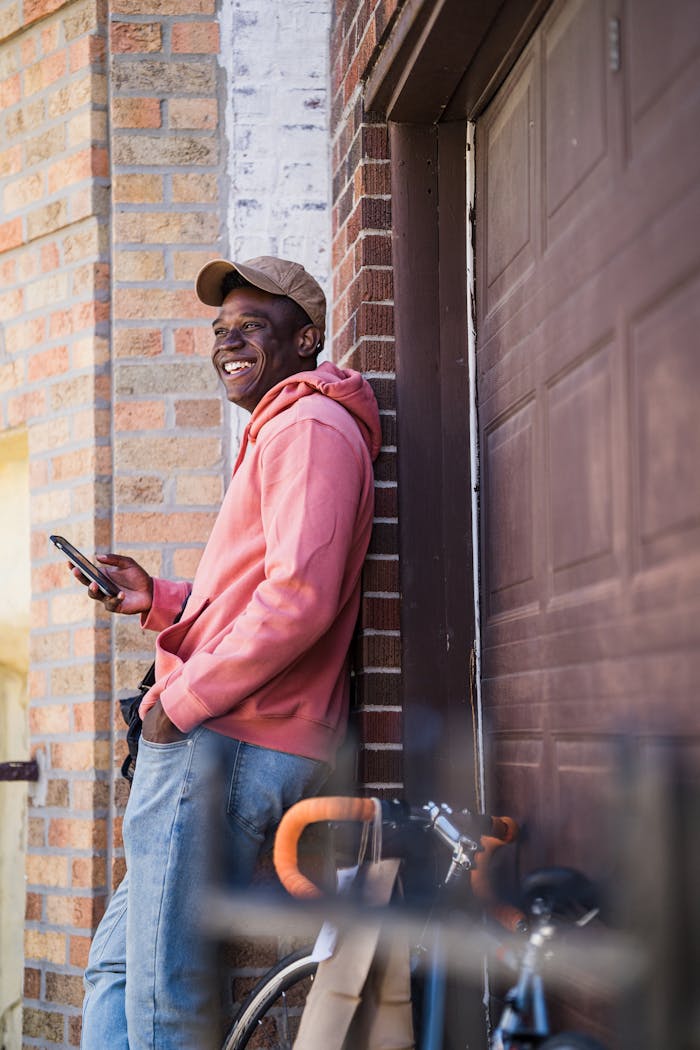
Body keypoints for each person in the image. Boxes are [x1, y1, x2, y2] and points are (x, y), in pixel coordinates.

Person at [76, 256, 381, 1049]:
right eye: (220, 330)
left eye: (252, 326)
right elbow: (263, 591)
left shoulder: (309, 427)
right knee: (118, 970)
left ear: (305, 336)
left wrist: (177, 705)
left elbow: (299, 601)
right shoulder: (282, 427)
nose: (229, 343)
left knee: (165, 992)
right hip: (220, 731)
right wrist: (162, 601)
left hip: (232, 737)